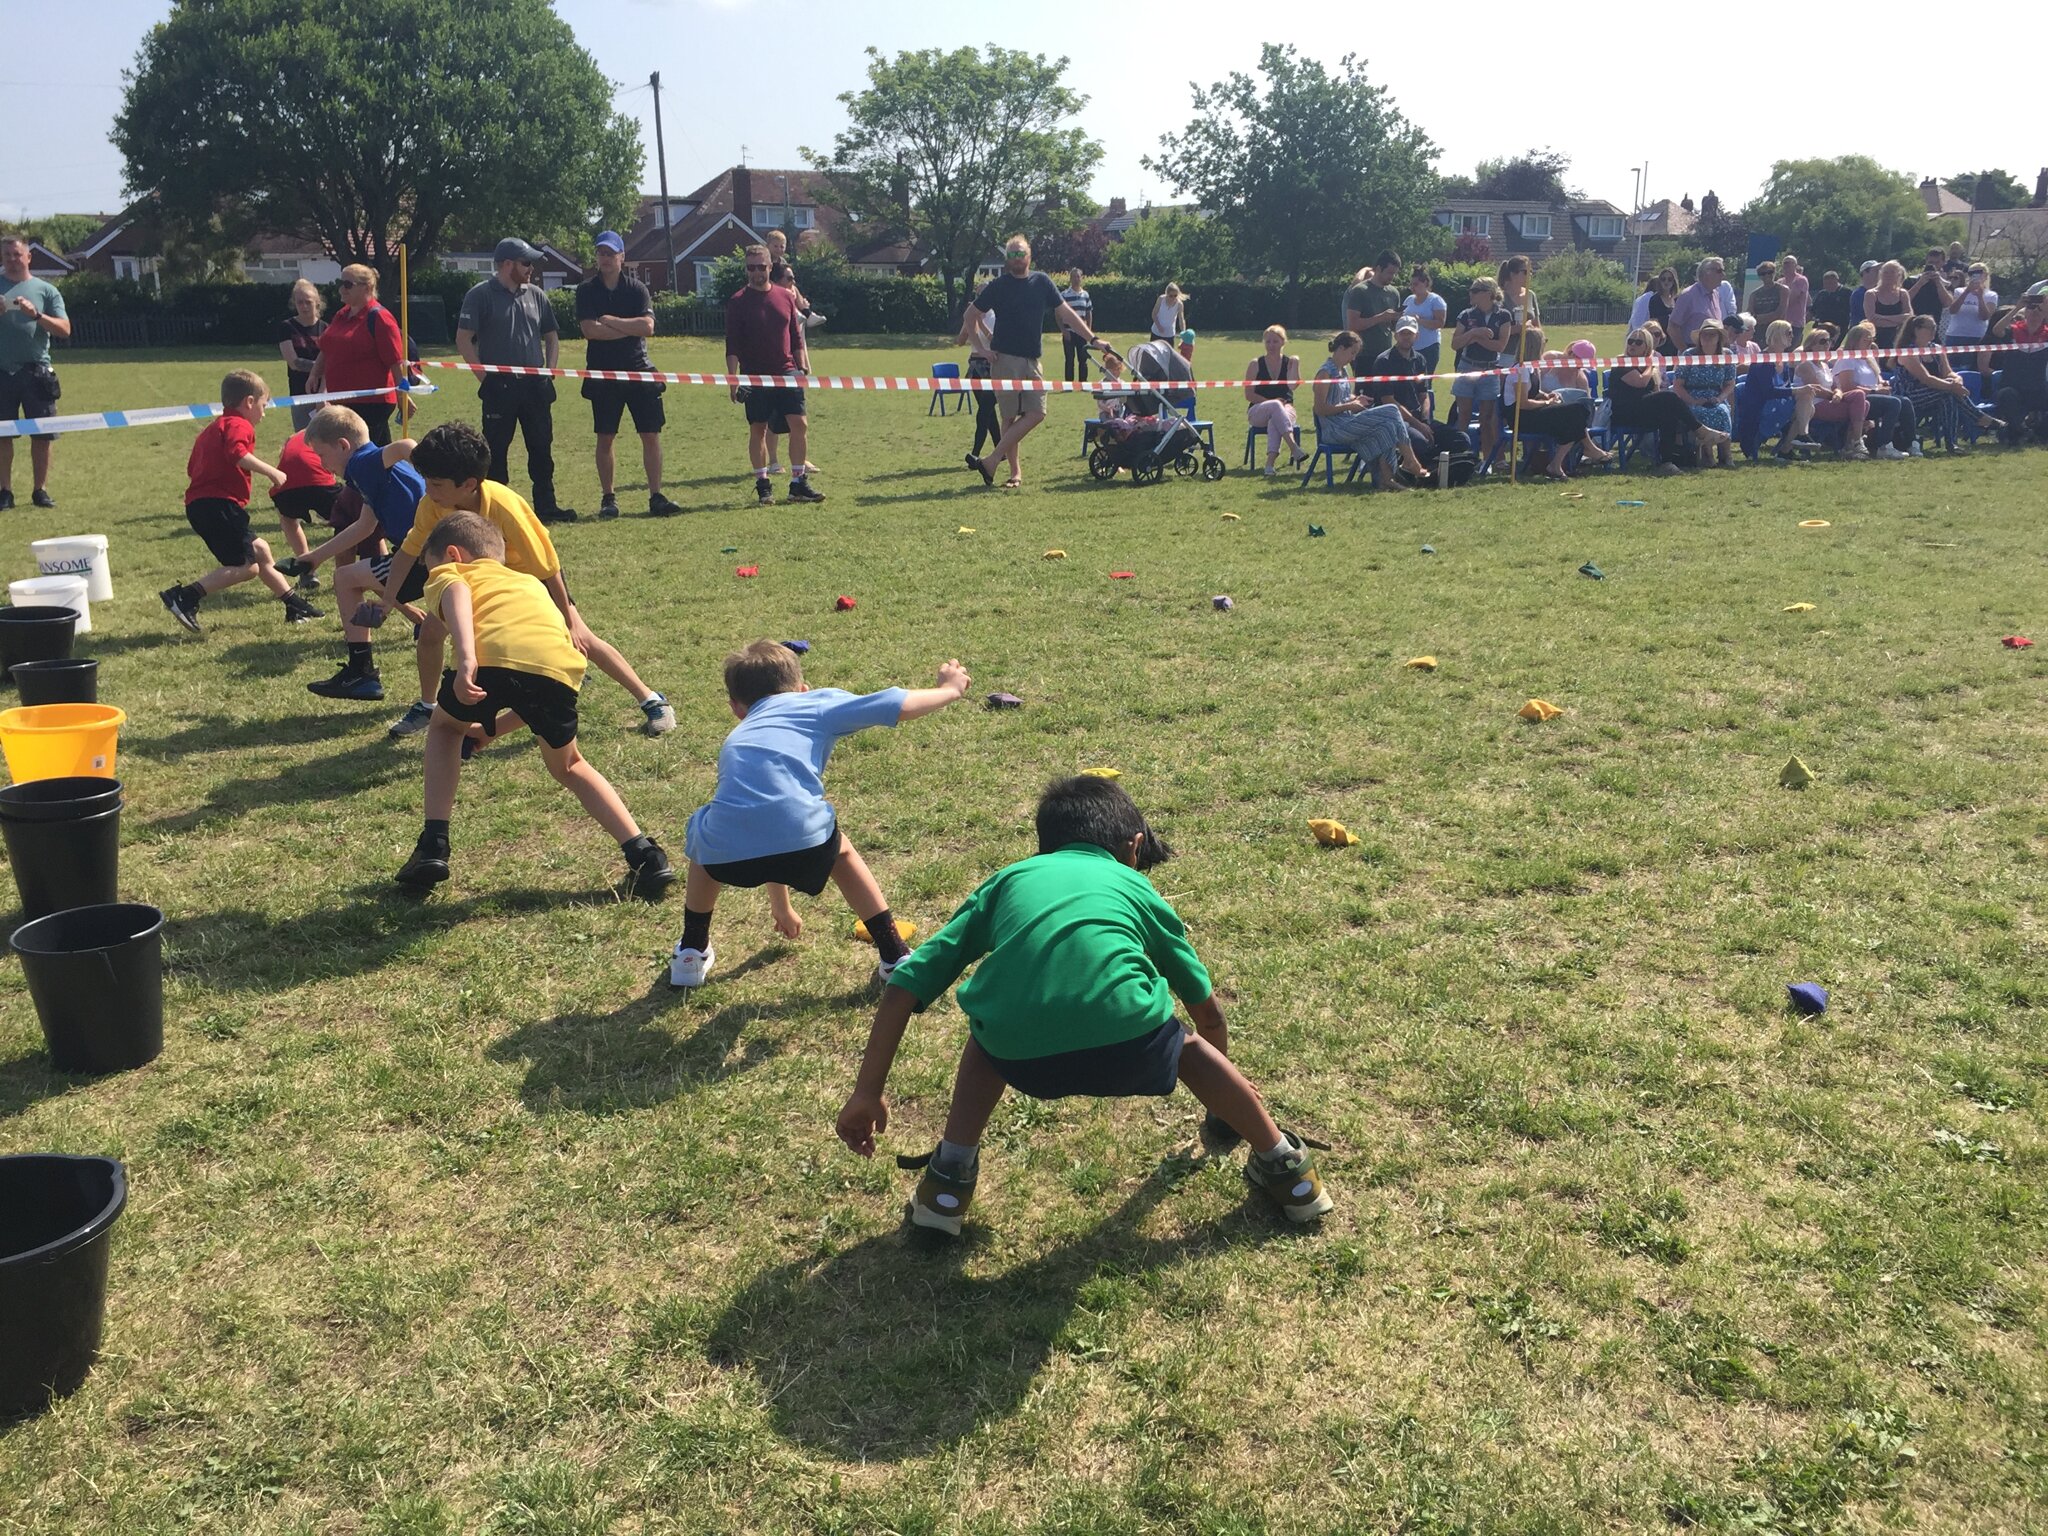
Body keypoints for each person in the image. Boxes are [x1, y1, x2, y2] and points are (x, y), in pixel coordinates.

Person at [833, 774, 1335, 1236]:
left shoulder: (1007, 881)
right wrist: (1220, 1108)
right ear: (1134, 848)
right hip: (1133, 1048)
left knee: (984, 1043)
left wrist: (868, 1092)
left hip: (1018, 1055)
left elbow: (907, 982)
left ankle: (946, 1188)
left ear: (1044, 844)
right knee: (1187, 1046)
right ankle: (1289, 1174)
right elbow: (1209, 1014)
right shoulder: (1137, 887)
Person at [392, 511, 676, 899]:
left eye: (431, 564)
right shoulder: (528, 583)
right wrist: (490, 731)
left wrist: (466, 655)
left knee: (443, 728)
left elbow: (455, 595)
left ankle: (433, 844)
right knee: (570, 765)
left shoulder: (453, 574)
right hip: (560, 669)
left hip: (489, 657)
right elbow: (533, 680)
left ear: (453, 555)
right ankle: (646, 855)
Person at [667, 640, 972, 990]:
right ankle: (895, 954)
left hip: (727, 853)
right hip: (803, 840)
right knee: (839, 851)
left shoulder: (740, 733)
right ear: (802, 689)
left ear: (736, 708)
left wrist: (780, 907)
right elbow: (895, 704)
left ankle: (691, 951)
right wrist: (949, 690)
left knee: (705, 841)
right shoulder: (812, 704)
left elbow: (761, 820)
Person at [364, 421, 676, 738]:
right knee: (430, 634)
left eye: (437, 484)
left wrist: (569, 619)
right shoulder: (432, 505)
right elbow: (406, 552)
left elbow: (546, 565)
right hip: (475, 583)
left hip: (528, 581)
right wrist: (389, 600)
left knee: (583, 638)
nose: (428, 490)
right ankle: (428, 706)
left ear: (469, 484)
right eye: (426, 481)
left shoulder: (503, 506)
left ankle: (651, 700)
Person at [159, 371, 323, 632]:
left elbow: (193, 468)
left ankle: (293, 603)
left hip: (203, 505)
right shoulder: (239, 424)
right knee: (248, 567)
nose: (264, 413)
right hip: (219, 505)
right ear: (249, 402)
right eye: (263, 405)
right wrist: (272, 471)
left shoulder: (214, 427)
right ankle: (186, 596)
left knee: (261, 551)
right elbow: (237, 454)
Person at [295, 406, 429, 702]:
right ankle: (361, 673)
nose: (322, 464)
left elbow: (406, 445)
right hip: (422, 552)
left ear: (343, 445)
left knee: (346, 578)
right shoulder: (368, 474)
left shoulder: (361, 463)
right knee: (347, 576)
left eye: (321, 455)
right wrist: (314, 557)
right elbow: (364, 527)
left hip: (421, 556)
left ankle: (361, 673)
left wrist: (432, 476)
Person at [958, 236, 1097, 489]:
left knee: (1037, 412)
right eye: (1011, 254)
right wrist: (981, 349)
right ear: (1007, 259)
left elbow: (1066, 312)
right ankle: (1014, 472)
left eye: (1020, 253)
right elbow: (970, 315)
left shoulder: (1041, 281)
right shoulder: (999, 285)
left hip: (1032, 360)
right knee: (1009, 417)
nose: (1016, 258)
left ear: (1029, 255)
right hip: (1004, 360)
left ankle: (990, 460)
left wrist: (1093, 338)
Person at [458, 237, 575, 524]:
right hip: (499, 387)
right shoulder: (480, 295)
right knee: (495, 452)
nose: (531, 268)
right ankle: (496, 513)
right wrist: (484, 378)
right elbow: (463, 339)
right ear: (507, 264)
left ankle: (546, 506)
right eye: (526, 263)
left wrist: (549, 372)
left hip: (535, 386)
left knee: (541, 448)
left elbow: (551, 338)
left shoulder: (536, 295)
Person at [574, 230, 678, 520]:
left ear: (622, 257)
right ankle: (608, 498)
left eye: (610, 253)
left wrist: (611, 321)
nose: (605, 258)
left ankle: (656, 496)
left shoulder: (637, 290)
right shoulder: (586, 290)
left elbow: (647, 327)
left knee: (651, 435)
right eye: (601, 253)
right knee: (605, 437)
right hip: (603, 374)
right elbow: (589, 331)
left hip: (639, 371)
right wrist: (623, 327)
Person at [727, 244, 825, 506]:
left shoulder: (785, 296)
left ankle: (798, 484)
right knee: (758, 429)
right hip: (755, 376)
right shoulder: (738, 301)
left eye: (761, 267)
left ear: (771, 266)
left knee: (799, 425)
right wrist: (733, 380)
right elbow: (732, 345)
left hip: (787, 371)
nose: (756, 272)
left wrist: (802, 366)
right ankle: (763, 484)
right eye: (751, 268)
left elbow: (795, 336)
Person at [0, 232, 71, 509]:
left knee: (42, 434)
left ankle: (39, 490)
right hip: (2, 373)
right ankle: (4, 491)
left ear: (28, 257)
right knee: (3, 435)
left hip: (37, 373)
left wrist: (37, 316)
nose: (12, 260)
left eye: (17, 254)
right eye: (7, 255)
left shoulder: (46, 290)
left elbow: (65, 330)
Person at [1312, 331, 1431, 489]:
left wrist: (1355, 400)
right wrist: (1349, 405)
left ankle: (1386, 479)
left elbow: (1341, 398)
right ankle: (1410, 461)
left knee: (1387, 427)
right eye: (1352, 353)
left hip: (1347, 422)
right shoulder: (1325, 373)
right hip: (1334, 429)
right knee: (1391, 410)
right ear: (1341, 348)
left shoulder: (1343, 371)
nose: (1353, 358)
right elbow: (1320, 409)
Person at [306, 264, 405, 447]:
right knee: (369, 454)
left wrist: (402, 395)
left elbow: (394, 361)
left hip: (371, 403)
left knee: (362, 453)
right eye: (340, 283)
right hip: (342, 401)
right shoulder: (341, 315)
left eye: (347, 284)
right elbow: (327, 348)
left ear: (366, 287)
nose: (341, 289)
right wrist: (315, 374)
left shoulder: (380, 317)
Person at [1504, 327, 1613, 479]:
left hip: (1531, 412)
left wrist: (1546, 395)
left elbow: (1533, 392)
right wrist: (1547, 403)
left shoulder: (1532, 368)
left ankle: (1557, 464)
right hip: (1520, 418)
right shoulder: (1520, 370)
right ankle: (1584, 450)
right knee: (1575, 413)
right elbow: (1523, 403)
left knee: (1577, 413)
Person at [1895, 314, 2005, 446]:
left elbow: (1948, 372)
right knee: (1950, 393)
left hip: (1938, 392)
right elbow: (1926, 379)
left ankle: (1951, 442)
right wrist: (1953, 387)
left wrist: (1957, 380)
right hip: (1911, 394)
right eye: (1929, 327)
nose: (1933, 330)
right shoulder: (1908, 352)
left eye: (1934, 327)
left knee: (1948, 398)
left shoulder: (1936, 349)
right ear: (1916, 330)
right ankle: (1979, 418)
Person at [1604, 329, 1702, 475]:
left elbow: (1654, 390)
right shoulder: (1621, 362)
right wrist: (1651, 364)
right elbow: (1640, 382)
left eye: (1638, 342)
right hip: (1624, 413)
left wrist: (1649, 366)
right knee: (1670, 397)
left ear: (1647, 346)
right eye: (1630, 341)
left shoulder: (1647, 367)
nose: (1632, 345)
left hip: (1643, 411)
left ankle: (1667, 461)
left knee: (1669, 414)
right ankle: (1699, 429)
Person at [1375, 316, 1468, 463]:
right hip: (1395, 420)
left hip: (1418, 418)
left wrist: (1425, 421)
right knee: (1421, 443)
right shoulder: (1384, 361)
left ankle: (1431, 463)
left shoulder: (1420, 360)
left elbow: (1424, 395)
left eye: (1410, 333)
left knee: (1462, 439)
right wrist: (1418, 425)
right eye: (1402, 333)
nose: (1406, 337)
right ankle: (1426, 464)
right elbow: (1388, 401)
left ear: (1416, 336)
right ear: (1395, 335)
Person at [1449, 277, 1512, 463]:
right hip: (1467, 366)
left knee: (1486, 418)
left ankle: (1487, 461)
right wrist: (1473, 333)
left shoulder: (1503, 316)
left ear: (1487, 293)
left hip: (1490, 369)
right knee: (1464, 415)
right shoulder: (1465, 315)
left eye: (1475, 290)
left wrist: (1479, 340)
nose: (1471, 294)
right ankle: (1461, 456)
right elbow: (1455, 344)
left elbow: (1500, 346)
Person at [267, 426, 336, 593]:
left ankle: (307, 571)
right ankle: (344, 575)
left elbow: (285, 456)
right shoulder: (329, 431)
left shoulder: (294, 438)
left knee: (288, 519)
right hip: (319, 480)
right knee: (346, 523)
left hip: (287, 486)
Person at [1833, 321, 1915, 458]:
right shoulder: (1847, 359)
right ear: (1855, 341)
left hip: (1873, 394)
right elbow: (1847, 386)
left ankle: (1911, 442)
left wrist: (1882, 385)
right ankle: (1884, 445)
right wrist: (1874, 392)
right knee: (1893, 403)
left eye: (1871, 340)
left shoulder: (1868, 360)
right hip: (1856, 399)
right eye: (1866, 340)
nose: (1869, 344)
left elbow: (1878, 380)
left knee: (1905, 401)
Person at [1673, 319, 1740, 467]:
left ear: (1719, 338)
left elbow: (1730, 383)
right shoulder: (1689, 355)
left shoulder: (1727, 355)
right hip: (1692, 397)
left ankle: (1725, 454)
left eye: (1712, 335)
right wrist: (1693, 401)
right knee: (1701, 413)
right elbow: (1678, 385)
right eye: (1704, 335)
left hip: (1716, 396)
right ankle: (1707, 455)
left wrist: (1720, 398)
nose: (1707, 338)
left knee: (1722, 412)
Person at [1795, 331, 1871, 460]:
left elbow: (1836, 386)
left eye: (1829, 341)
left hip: (1830, 401)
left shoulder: (1824, 365)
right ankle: (1855, 442)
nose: (1827, 344)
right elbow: (1816, 389)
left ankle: (1851, 443)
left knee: (1863, 400)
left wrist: (1838, 393)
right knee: (1860, 401)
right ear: (1811, 345)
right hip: (1813, 405)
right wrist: (1834, 396)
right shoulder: (1806, 365)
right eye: (1822, 341)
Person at [1748, 320, 1819, 458]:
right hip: (1763, 404)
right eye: (1789, 333)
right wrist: (1798, 390)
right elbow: (1768, 391)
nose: (1792, 336)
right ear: (1778, 335)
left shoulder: (1783, 359)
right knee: (1805, 405)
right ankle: (1790, 446)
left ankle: (1794, 442)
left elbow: (1786, 385)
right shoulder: (1764, 360)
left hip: (1780, 400)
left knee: (1807, 403)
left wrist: (1802, 390)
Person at [1988, 289, 2048, 441]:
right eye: (2030, 309)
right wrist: (2017, 307)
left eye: (2038, 311)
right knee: (2006, 395)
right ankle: (2020, 430)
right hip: (2013, 387)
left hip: (2038, 388)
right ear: (2025, 313)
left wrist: (2045, 309)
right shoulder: (2014, 331)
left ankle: (2040, 431)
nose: (2034, 313)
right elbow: (1997, 330)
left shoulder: (2046, 334)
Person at [1243, 325, 1304, 475]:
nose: (1271, 345)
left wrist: (1296, 364)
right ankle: (1293, 447)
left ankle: (1269, 465)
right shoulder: (1255, 364)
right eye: (1268, 341)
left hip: (1286, 410)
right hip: (1258, 411)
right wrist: (1271, 403)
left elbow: (1293, 386)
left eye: (1275, 342)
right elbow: (1249, 395)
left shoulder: (1289, 363)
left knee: (1275, 420)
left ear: (1283, 342)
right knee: (1276, 406)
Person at [274, 278, 328, 433]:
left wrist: (322, 394)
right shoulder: (287, 327)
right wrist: (320, 367)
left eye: (308, 302)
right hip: (299, 393)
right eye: (299, 302)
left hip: (324, 393)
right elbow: (294, 362)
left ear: (317, 302)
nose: (304, 306)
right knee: (304, 438)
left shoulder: (327, 329)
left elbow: (331, 363)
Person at [1343, 251, 1402, 369]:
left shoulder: (1394, 293)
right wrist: (1381, 317)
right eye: (1390, 272)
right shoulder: (1360, 291)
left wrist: (1400, 319)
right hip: (1364, 354)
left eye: (1395, 273)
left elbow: (1393, 327)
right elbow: (1353, 325)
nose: (1392, 277)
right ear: (1379, 268)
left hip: (1386, 354)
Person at [1944, 261, 1998, 379]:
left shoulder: (1991, 295)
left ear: (1986, 275)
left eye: (1979, 272)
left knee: (1970, 370)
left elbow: (1984, 317)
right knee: (1950, 369)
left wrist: (1979, 297)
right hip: (1955, 335)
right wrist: (1967, 292)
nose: (1975, 275)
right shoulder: (1959, 291)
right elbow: (1952, 310)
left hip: (1976, 337)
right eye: (1972, 273)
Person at [763, 228, 825, 330]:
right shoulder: (765, 261)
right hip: (771, 288)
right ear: (768, 246)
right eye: (775, 246)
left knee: (793, 288)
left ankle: (807, 313)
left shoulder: (782, 261)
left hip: (781, 288)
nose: (779, 249)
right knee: (788, 291)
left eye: (782, 246)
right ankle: (795, 313)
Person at [1400, 266, 1448, 372]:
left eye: (1416, 284)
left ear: (1425, 283)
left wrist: (1419, 321)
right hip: (1410, 346)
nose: (1412, 287)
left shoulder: (1435, 300)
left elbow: (1440, 323)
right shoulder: (1409, 300)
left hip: (1429, 346)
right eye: (1411, 284)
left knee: (1425, 380)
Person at [1670, 259, 1726, 350]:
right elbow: (1672, 327)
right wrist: (1685, 352)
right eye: (1719, 271)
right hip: (1693, 350)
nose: (1723, 275)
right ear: (1706, 273)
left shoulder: (1716, 294)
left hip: (1714, 351)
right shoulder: (1688, 295)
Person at [1497, 255, 1541, 364]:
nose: (1529, 275)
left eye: (1531, 272)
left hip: (1529, 354)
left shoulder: (1530, 295)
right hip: (1506, 354)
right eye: (1525, 272)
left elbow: (1537, 324)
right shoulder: (1499, 297)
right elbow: (1494, 331)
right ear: (1513, 274)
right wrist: (1520, 328)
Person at [1866, 261, 1912, 353]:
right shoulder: (1871, 294)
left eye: (1892, 272)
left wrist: (1883, 317)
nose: (1888, 275)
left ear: (1898, 275)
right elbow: (1872, 318)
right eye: (1886, 272)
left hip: (1898, 338)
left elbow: (1909, 317)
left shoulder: (1903, 294)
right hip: (1877, 338)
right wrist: (1898, 320)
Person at [1057, 268, 1093, 382]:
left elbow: (1089, 313)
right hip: (1069, 332)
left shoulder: (1085, 295)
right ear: (1070, 279)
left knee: (1083, 359)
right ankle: (1069, 384)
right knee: (1069, 359)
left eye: (1078, 277)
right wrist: (1063, 331)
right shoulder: (1064, 295)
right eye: (1074, 277)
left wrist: (1088, 330)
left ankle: (1083, 383)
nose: (1076, 279)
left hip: (1082, 333)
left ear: (1081, 278)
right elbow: (1058, 314)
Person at [1909, 248, 1951, 328]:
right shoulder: (1911, 280)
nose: (1934, 266)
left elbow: (1948, 304)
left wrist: (1939, 283)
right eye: (1931, 263)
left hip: (1935, 324)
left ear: (1943, 263)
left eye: (1937, 262)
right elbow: (1905, 300)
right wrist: (1919, 283)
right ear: (1926, 262)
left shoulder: (1946, 283)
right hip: (1912, 323)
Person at [1809, 269, 1851, 338]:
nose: (1828, 286)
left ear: (1837, 281)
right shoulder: (1822, 294)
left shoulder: (1846, 293)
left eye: (1830, 283)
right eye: (1826, 284)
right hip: (1822, 327)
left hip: (1839, 328)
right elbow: (1812, 311)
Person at [1749, 260, 1788, 333]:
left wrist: (1758, 318)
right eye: (1763, 274)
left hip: (1777, 330)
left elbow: (1780, 313)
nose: (1767, 275)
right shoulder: (1754, 294)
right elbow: (1750, 315)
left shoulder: (1783, 290)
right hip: (1758, 331)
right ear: (1759, 276)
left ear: (1774, 273)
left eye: (1770, 272)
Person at [1782, 254, 1810, 334]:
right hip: (1782, 322)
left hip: (1795, 323)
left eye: (1789, 263)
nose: (1786, 265)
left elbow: (1790, 299)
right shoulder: (1780, 281)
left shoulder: (1801, 280)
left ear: (1795, 265)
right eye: (1785, 263)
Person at [1848, 260, 1880, 327]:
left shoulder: (1881, 291)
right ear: (1865, 273)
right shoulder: (1858, 294)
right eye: (1875, 271)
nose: (1879, 273)